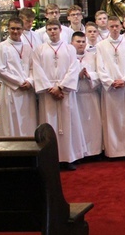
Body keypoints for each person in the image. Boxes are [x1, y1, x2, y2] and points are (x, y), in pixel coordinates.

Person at [32, 20, 86, 169]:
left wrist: (61, 87)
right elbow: (37, 70)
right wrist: (51, 88)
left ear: (60, 30)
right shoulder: (39, 50)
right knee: (50, 124)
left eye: (55, 28)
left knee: (68, 124)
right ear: (46, 31)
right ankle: (51, 159)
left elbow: (74, 69)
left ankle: (68, 158)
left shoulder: (69, 49)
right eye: (49, 29)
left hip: (65, 91)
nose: (52, 32)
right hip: (48, 93)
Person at [95, 15, 125, 158]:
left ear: (122, 26)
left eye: (117, 26)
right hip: (111, 90)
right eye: (112, 26)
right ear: (108, 28)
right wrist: (110, 81)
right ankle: (114, 151)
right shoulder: (101, 45)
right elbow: (100, 67)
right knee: (113, 120)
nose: (115, 29)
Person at [0, 18, 37, 137]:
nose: (15, 31)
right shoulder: (2, 47)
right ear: (8, 29)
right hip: (11, 89)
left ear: (23, 30)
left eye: (18, 28)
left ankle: (29, 147)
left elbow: (33, 67)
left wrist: (30, 81)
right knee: (11, 121)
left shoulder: (28, 47)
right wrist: (19, 82)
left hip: (27, 90)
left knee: (28, 120)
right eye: (12, 28)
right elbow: (0, 69)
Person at [71, 31, 103, 158]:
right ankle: (79, 153)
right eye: (78, 41)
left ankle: (95, 151)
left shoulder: (93, 56)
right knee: (78, 126)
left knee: (94, 125)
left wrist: (90, 76)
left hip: (91, 95)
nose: (81, 44)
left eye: (83, 41)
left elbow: (99, 73)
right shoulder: (69, 57)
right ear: (72, 43)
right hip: (77, 96)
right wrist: (77, 76)